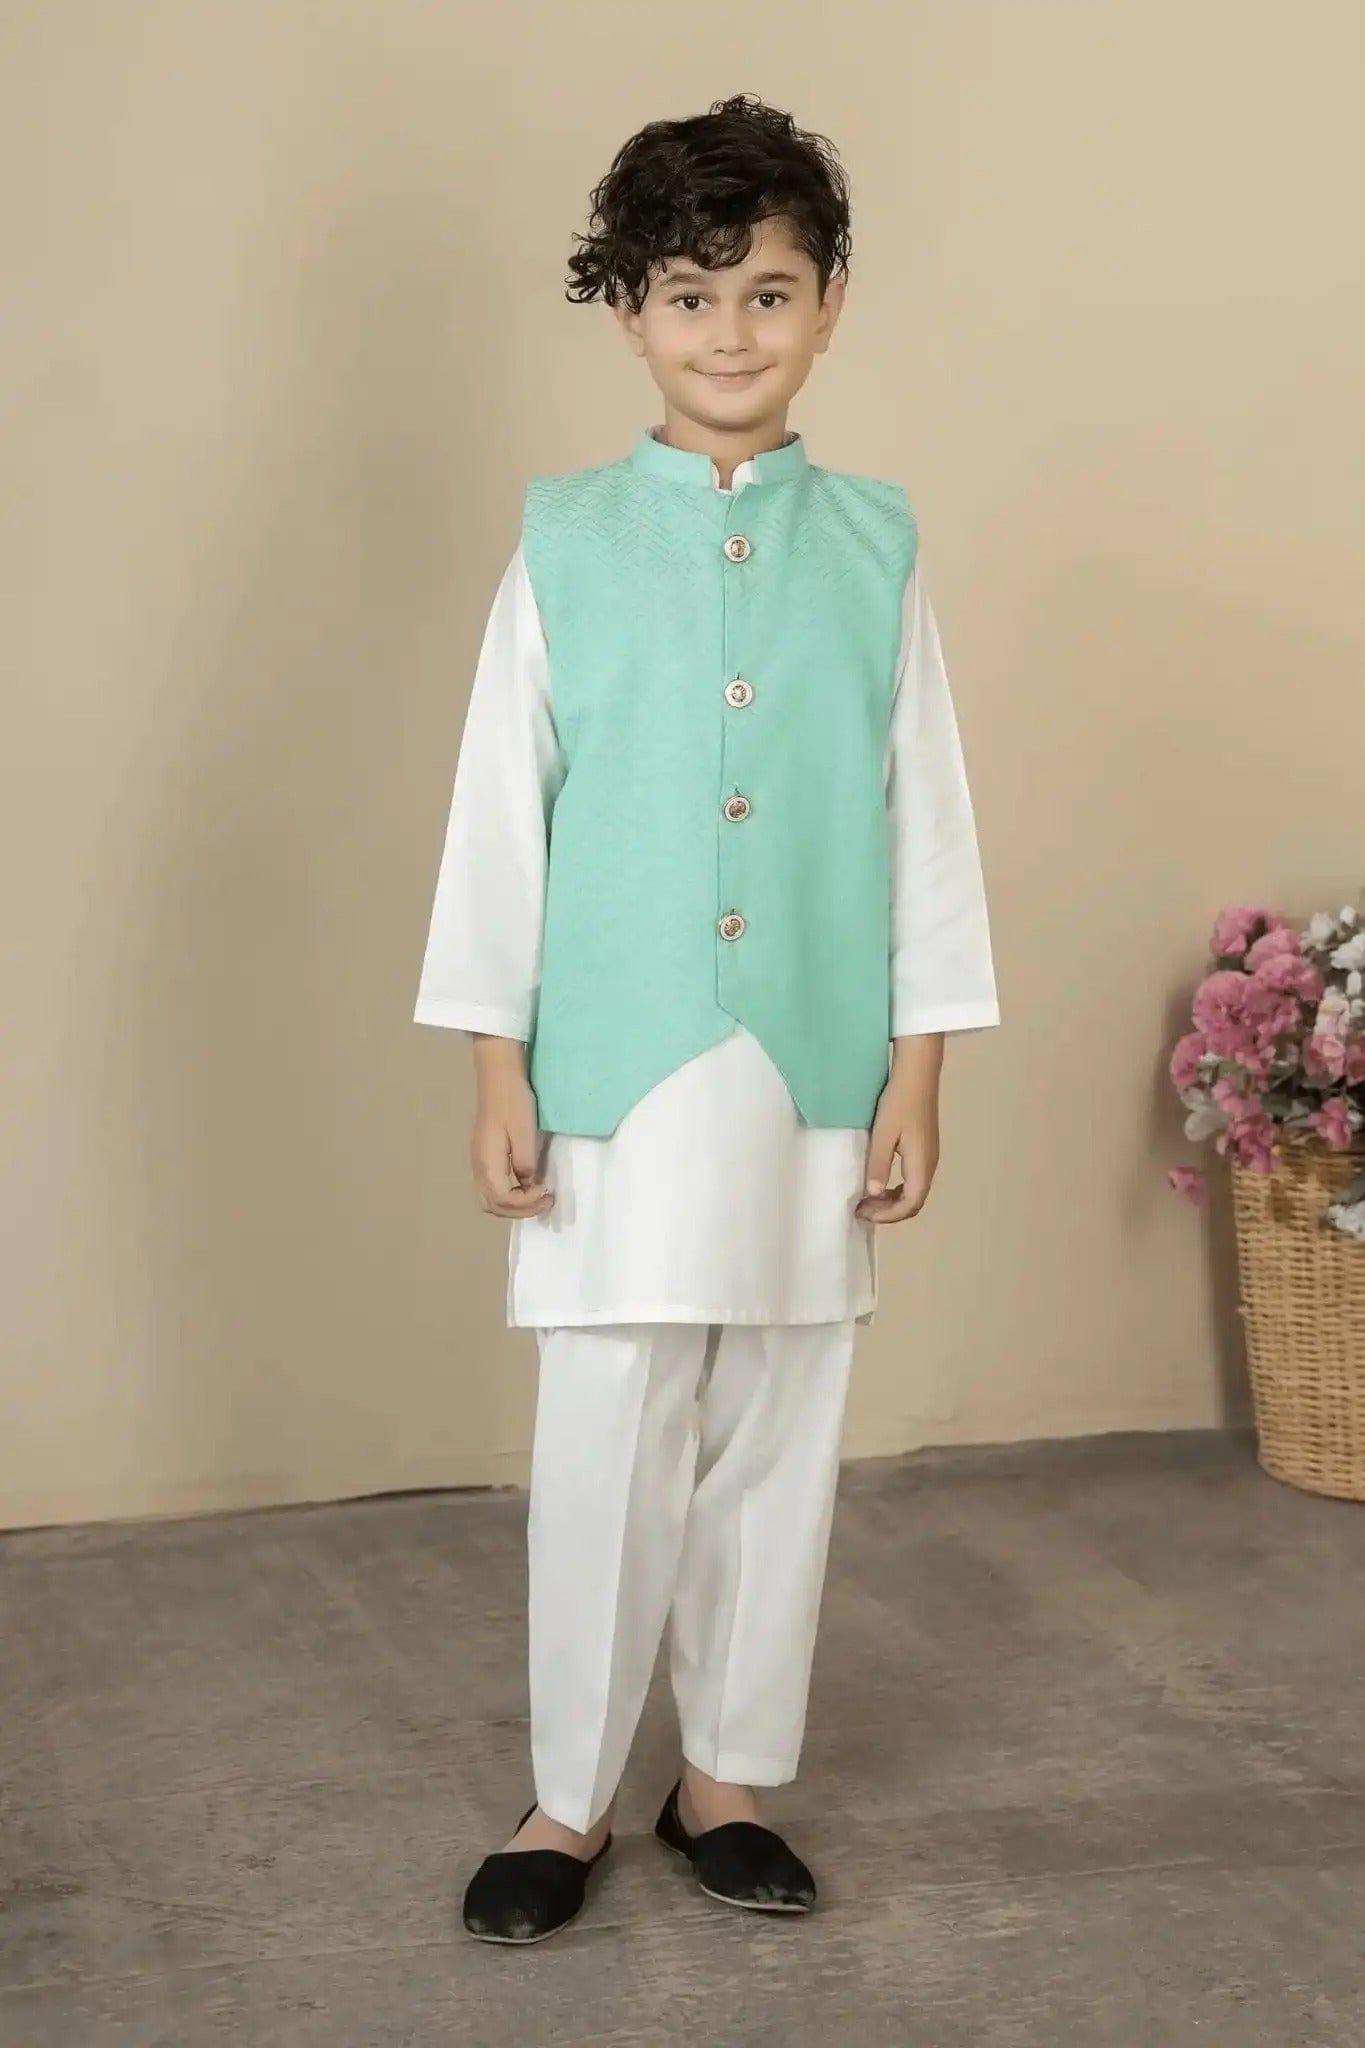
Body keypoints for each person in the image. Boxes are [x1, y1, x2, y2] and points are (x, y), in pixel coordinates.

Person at [413, 91, 1001, 1944]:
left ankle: (725, 1778)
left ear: (827, 307)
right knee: (610, 1415)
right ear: (628, 313)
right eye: (689, 295)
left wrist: (917, 1069)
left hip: (814, 1060)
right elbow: (499, 819)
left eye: (767, 293)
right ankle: (567, 1797)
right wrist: (497, 1063)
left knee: (779, 1418)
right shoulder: (565, 544)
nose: (730, 333)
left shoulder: (877, 549)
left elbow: (923, 821)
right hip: (611, 1063)